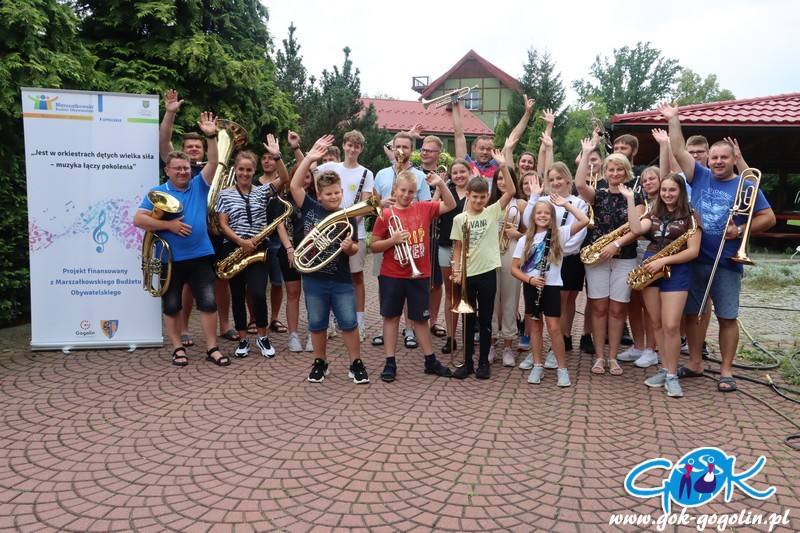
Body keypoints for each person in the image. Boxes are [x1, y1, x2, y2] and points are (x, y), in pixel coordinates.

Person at [659, 101, 775, 392]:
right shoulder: (699, 175)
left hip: (727, 262)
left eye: (724, 157)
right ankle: (695, 362)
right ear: (708, 160)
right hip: (696, 258)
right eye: (714, 157)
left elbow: (768, 218)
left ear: (734, 158)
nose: (719, 162)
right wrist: (674, 119)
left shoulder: (746, 185)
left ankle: (726, 371)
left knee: (727, 317)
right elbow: (678, 150)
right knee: (693, 314)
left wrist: (741, 230)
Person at [133, 112, 228, 367]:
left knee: (208, 304)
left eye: (185, 168)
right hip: (170, 259)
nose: (183, 172)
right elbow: (138, 220)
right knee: (172, 305)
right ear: (168, 170)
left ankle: (212, 348)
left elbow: (214, 161)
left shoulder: (199, 185)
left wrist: (211, 136)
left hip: (201, 255)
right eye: (177, 168)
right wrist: (169, 225)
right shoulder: (157, 192)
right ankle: (177, 348)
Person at [158, 89, 235, 346]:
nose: (193, 149)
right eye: (189, 147)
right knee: (187, 284)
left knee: (221, 279)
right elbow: (163, 142)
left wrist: (211, 136)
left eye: (197, 147)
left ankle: (225, 325)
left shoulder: (210, 170)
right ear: (182, 151)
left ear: (203, 150)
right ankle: (184, 329)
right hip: (187, 233)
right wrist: (170, 113)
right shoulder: (179, 169)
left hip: (215, 230)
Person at [290, 136, 369, 384]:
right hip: (314, 279)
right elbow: (294, 185)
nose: (333, 197)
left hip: (341, 279)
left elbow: (353, 248)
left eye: (336, 193)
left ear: (342, 192)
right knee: (316, 323)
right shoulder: (310, 208)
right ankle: (320, 362)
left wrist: (349, 247)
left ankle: (356, 363)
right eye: (328, 193)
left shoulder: (347, 217)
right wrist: (310, 158)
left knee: (348, 323)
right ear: (319, 194)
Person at [621, 174, 702, 398]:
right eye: (664, 190)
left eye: (672, 190)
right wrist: (630, 200)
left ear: (681, 191)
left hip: (676, 270)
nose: (667, 194)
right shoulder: (654, 213)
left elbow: (693, 251)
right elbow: (636, 229)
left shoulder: (691, 215)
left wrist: (663, 260)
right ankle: (665, 369)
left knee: (671, 325)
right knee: (656, 323)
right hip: (651, 269)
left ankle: (673, 375)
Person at [370, 170, 456, 381]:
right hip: (392, 274)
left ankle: (430, 361)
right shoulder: (386, 215)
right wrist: (392, 241)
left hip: (419, 274)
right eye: (402, 190)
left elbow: (451, 205)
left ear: (416, 192)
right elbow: (374, 246)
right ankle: (390, 362)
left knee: (421, 319)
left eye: (411, 191)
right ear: (395, 190)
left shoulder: (423, 208)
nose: (406, 195)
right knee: (391, 317)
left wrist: (441, 184)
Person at [575, 138, 645, 376]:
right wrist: (586, 153)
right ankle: (599, 357)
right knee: (598, 308)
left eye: (619, 169)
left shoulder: (636, 197)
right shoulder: (599, 195)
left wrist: (615, 245)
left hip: (624, 258)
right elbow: (579, 184)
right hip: (597, 258)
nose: (615, 173)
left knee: (617, 310)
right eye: (611, 169)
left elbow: (636, 229)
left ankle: (613, 358)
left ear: (627, 172)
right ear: (605, 172)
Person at [450, 146, 516, 379]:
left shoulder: (491, 212)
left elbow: (511, 190)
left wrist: (503, 166)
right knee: (468, 320)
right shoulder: (459, 219)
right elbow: (457, 249)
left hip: (487, 272)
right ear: (467, 195)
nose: (478, 201)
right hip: (467, 274)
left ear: (487, 197)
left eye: (482, 197)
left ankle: (483, 364)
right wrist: (456, 271)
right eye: (475, 197)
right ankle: (467, 362)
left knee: (486, 318)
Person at [512, 196, 589, 386]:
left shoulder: (560, 234)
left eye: (547, 213)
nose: (542, 215)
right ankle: (537, 365)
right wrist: (530, 280)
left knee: (554, 328)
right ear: (533, 216)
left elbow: (584, 220)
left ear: (552, 217)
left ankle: (562, 368)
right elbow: (514, 269)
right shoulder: (524, 239)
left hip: (552, 286)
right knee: (535, 327)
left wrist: (566, 205)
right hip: (532, 286)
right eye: (539, 213)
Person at [215, 150, 280, 359]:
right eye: (241, 169)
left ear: (254, 171)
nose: (245, 173)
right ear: (236, 169)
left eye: (249, 170)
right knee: (237, 295)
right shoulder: (225, 194)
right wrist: (241, 242)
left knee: (259, 293)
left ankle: (262, 337)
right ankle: (243, 339)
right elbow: (223, 224)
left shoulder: (262, 191)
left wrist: (277, 157)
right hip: (234, 248)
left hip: (258, 248)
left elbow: (286, 179)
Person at [372, 132, 432, 349]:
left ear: (411, 151)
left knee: (411, 286)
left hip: (412, 237)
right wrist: (383, 205)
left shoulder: (420, 177)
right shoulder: (381, 174)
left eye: (406, 147)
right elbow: (373, 205)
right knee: (386, 283)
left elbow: (426, 205)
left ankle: (409, 330)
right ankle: (386, 325)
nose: (401, 151)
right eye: (398, 146)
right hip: (387, 235)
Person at [316, 130, 374, 343]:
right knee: (330, 276)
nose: (352, 149)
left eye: (356, 146)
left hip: (354, 232)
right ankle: (330, 322)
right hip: (330, 233)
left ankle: (359, 323)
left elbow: (365, 206)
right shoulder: (331, 167)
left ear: (361, 149)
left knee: (357, 278)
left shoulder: (367, 173)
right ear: (343, 146)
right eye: (349, 145)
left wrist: (347, 228)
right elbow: (308, 171)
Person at [617, 165, 660, 368]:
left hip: (653, 253)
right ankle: (638, 346)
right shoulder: (645, 202)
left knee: (649, 304)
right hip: (636, 251)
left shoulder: (665, 203)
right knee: (633, 302)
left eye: (652, 179)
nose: (648, 183)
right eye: (645, 181)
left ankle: (651, 350)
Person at [254, 136, 294, 336]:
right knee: (254, 284)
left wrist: (278, 156)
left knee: (277, 282)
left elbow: (286, 177)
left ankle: (274, 318)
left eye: (271, 158)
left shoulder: (282, 183)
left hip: (278, 238)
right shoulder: (254, 183)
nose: (267, 161)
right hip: (257, 238)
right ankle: (253, 319)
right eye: (264, 158)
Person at [488, 162, 527, 367]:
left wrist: (518, 234)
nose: (503, 182)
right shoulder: (488, 201)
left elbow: (534, 233)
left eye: (507, 178)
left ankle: (508, 346)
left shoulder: (520, 203)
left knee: (510, 300)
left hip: (511, 252)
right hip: (489, 253)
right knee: (490, 301)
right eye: (499, 179)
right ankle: (491, 344)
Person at [453, 93, 536, 186]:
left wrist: (527, 113)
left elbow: (512, 139)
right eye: (481, 148)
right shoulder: (466, 164)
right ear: (474, 149)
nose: (485, 152)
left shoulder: (497, 165)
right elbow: (458, 134)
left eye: (488, 149)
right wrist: (455, 104)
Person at [436, 159, 470, 357]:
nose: (459, 176)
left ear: (469, 172)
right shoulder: (446, 190)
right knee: (450, 291)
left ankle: (469, 333)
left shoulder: (474, 191)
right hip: (446, 246)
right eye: (455, 172)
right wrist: (438, 187)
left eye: (462, 172)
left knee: (468, 291)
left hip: (469, 249)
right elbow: (432, 211)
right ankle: (451, 336)